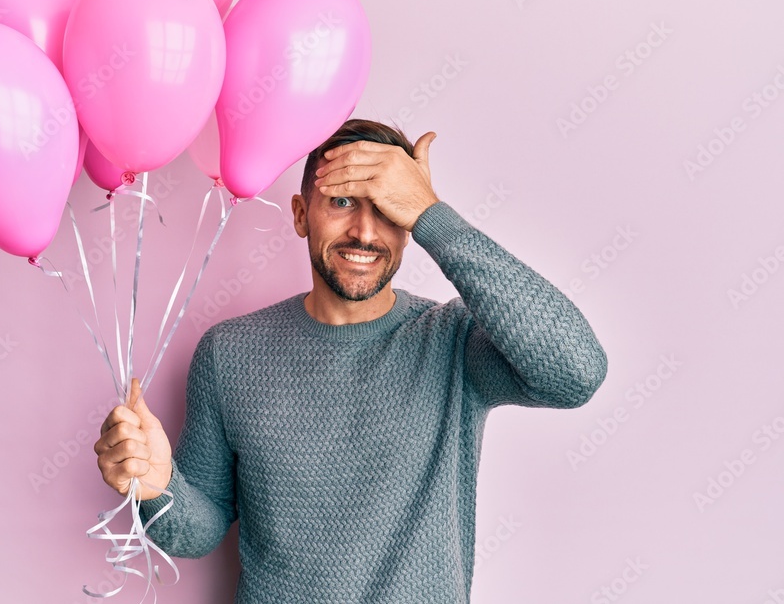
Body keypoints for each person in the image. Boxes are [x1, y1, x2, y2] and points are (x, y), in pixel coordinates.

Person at [95, 119, 609, 603]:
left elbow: (575, 373)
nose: (365, 231)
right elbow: (200, 531)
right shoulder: (229, 353)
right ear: (300, 214)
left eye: (388, 208)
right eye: (342, 201)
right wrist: (157, 486)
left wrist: (433, 215)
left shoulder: (454, 341)